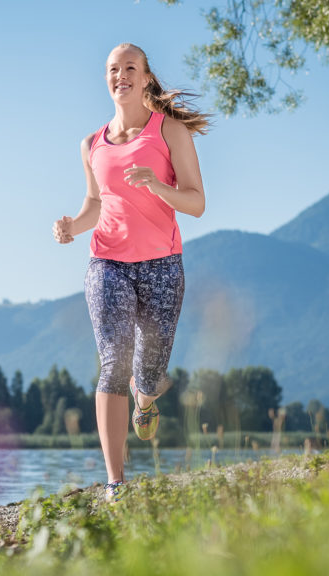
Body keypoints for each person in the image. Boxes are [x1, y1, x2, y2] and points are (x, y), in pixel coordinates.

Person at [52, 43, 210, 502]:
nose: (120, 75)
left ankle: (147, 396)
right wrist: (71, 228)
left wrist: (158, 187)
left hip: (162, 264)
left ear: (145, 77)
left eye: (130, 68)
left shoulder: (170, 131)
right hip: (107, 264)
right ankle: (116, 483)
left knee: (148, 371)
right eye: (112, 69)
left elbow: (197, 202)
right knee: (112, 364)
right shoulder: (92, 144)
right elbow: (95, 206)